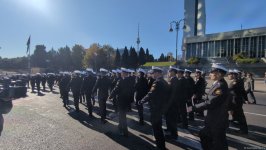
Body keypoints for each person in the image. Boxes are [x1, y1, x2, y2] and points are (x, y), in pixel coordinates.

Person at [188, 63, 230, 150]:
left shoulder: (220, 86)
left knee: (218, 142)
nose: (209, 74)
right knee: (209, 137)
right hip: (215, 119)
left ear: (218, 73)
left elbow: (210, 102)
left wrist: (193, 108)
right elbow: (211, 98)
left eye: (212, 72)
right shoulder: (217, 84)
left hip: (217, 120)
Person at [139, 66, 170, 150]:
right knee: (158, 127)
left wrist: (141, 101)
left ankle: (160, 146)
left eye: (153, 73)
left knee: (156, 128)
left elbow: (150, 94)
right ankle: (161, 145)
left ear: (157, 73)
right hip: (161, 108)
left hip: (156, 108)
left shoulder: (157, 82)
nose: (151, 74)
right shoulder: (164, 81)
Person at [109, 68, 132, 136]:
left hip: (121, 101)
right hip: (126, 101)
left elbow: (116, 89)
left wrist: (110, 96)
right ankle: (120, 126)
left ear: (124, 73)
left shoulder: (120, 81)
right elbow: (131, 91)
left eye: (122, 72)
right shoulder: (130, 80)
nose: (121, 73)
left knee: (122, 116)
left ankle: (125, 131)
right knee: (122, 115)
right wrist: (131, 101)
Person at [227, 69, 248, 134]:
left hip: (235, 101)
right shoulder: (239, 81)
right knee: (238, 114)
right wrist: (246, 99)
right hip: (237, 100)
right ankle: (242, 128)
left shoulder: (235, 82)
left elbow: (228, 90)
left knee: (240, 115)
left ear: (233, 75)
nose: (228, 76)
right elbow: (243, 91)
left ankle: (243, 130)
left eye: (229, 74)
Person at [164, 66, 179, 140]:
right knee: (168, 119)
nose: (168, 72)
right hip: (170, 104)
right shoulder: (171, 79)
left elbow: (173, 94)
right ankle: (169, 129)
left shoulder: (175, 80)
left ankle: (174, 135)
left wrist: (168, 104)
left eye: (169, 71)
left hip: (172, 105)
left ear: (173, 72)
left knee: (172, 120)